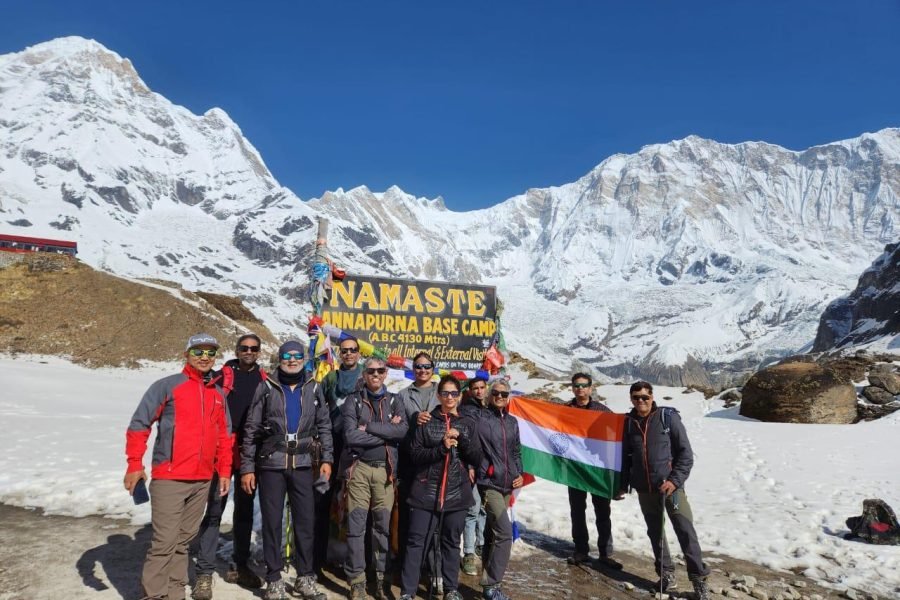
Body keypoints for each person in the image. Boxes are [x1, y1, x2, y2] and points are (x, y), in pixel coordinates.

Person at [124, 333, 232, 600]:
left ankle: (175, 593)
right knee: (164, 543)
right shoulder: (167, 386)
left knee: (183, 542)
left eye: (210, 353)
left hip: (203, 479)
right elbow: (139, 425)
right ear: (186, 355)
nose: (204, 358)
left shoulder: (218, 394)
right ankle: (154, 595)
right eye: (198, 352)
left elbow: (224, 436)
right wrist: (134, 463)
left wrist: (225, 471)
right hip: (170, 478)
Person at [240, 341, 332, 600]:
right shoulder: (266, 387)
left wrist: (327, 458)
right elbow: (251, 429)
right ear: (279, 359)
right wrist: (247, 467)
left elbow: (324, 424)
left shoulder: (313, 387)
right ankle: (274, 578)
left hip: (303, 463)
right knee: (272, 522)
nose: (292, 360)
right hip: (272, 463)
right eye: (286, 356)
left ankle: (305, 577)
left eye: (296, 356)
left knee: (305, 522)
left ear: (303, 359)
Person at [191, 334, 267, 600]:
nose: (248, 352)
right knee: (215, 508)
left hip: (248, 452)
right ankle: (204, 572)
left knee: (245, 510)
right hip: (221, 449)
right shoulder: (223, 375)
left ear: (259, 352)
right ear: (236, 350)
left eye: (253, 348)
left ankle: (240, 564)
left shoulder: (264, 379)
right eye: (244, 348)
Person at [619, 381, 710, 600]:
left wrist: (674, 481)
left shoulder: (667, 418)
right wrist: (622, 484)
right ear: (631, 399)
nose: (640, 401)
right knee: (656, 534)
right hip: (645, 489)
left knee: (685, 532)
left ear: (652, 397)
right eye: (636, 397)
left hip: (671, 489)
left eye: (644, 397)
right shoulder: (628, 423)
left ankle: (698, 580)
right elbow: (625, 459)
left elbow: (685, 454)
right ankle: (666, 575)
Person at [398, 375, 482, 600]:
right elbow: (415, 455)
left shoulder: (467, 423)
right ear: (438, 395)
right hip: (426, 491)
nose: (450, 397)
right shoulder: (426, 422)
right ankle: (408, 591)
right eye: (445, 393)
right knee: (417, 542)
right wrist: (441, 448)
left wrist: (462, 438)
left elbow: (477, 456)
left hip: (456, 493)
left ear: (460, 396)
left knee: (451, 543)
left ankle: (451, 588)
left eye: (454, 393)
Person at [341, 357, 408, 600]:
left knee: (382, 527)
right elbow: (350, 436)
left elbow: (401, 431)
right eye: (371, 371)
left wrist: (367, 428)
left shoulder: (395, 400)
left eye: (380, 370)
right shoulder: (353, 401)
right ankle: (357, 580)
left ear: (386, 372)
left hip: (385, 472)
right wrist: (385, 431)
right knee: (356, 527)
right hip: (358, 470)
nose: (376, 374)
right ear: (365, 373)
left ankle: (381, 578)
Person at [314, 336, 364, 571]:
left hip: (358, 447)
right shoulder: (331, 378)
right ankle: (320, 557)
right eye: (344, 351)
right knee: (324, 498)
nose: (349, 354)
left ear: (359, 352)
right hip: (332, 444)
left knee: (355, 503)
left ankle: (355, 560)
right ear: (339, 353)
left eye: (353, 350)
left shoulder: (367, 376)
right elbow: (318, 405)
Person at [565, 373, 622, 569]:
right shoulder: (566, 409)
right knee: (577, 511)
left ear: (590, 388)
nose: (580, 389)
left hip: (598, 469)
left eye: (584, 385)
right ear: (572, 388)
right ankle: (581, 550)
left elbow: (616, 433)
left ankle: (606, 553)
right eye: (576, 385)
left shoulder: (602, 410)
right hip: (575, 469)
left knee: (602, 511)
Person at [474, 380, 523, 600]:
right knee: (504, 533)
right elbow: (470, 444)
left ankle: (488, 586)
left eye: (504, 394)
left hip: (507, 484)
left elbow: (516, 451)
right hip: (489, 483)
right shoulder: (480, 418)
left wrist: (519, 473)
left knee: (492, 533)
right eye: (496, 393)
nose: (500, 396)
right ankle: (492, 583)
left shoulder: (512, 421)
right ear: (489, 394)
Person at [395, 352, 439, 581]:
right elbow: (399, 427)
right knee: (407, 514)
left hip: (437, 461)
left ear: (433, 368)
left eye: (427, 366)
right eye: (418, 366)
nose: (422, 370)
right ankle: (405, 565)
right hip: (410, 462)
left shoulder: (443, 393)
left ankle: (432, 569)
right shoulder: (402, 395)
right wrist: (414, 421)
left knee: (434, 516)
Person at [460, 376, 489, 576]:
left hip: (490, 468)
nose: (479, 391)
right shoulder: (466, 410)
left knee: (484, 509)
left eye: (481, 387)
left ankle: (481, 543)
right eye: (475, 388)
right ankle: (468, 552)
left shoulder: (489, 410)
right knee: (472, 509)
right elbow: (467, 440)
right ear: (470, 390)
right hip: (473, 466)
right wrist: (470, 464)